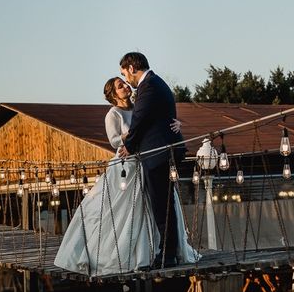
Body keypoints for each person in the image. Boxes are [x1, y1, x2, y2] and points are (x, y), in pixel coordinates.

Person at [54, 77, 197, 276]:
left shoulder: (140, 105)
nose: (125, 86)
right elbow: (113, 140)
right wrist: (133, 134)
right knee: (125, 210)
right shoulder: (113, 114)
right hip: (127, 165)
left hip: (150, 159)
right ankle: (127, 254)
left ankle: (161, 250)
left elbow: (154, 122)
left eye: (125, 83)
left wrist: (174, 125)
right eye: (120, 86)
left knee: (157, 204)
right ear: (113, 95)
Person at [119, 52, 187, 267]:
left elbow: (140, 119)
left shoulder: (148, 86)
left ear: (131, 68)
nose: (125, 78)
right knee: (163, 204)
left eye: (123, 73)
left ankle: (166, 255)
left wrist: (129, 145)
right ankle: (167, 252)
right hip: (160, 151)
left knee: (161, 205)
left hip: (158, 153)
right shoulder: (156, 83)